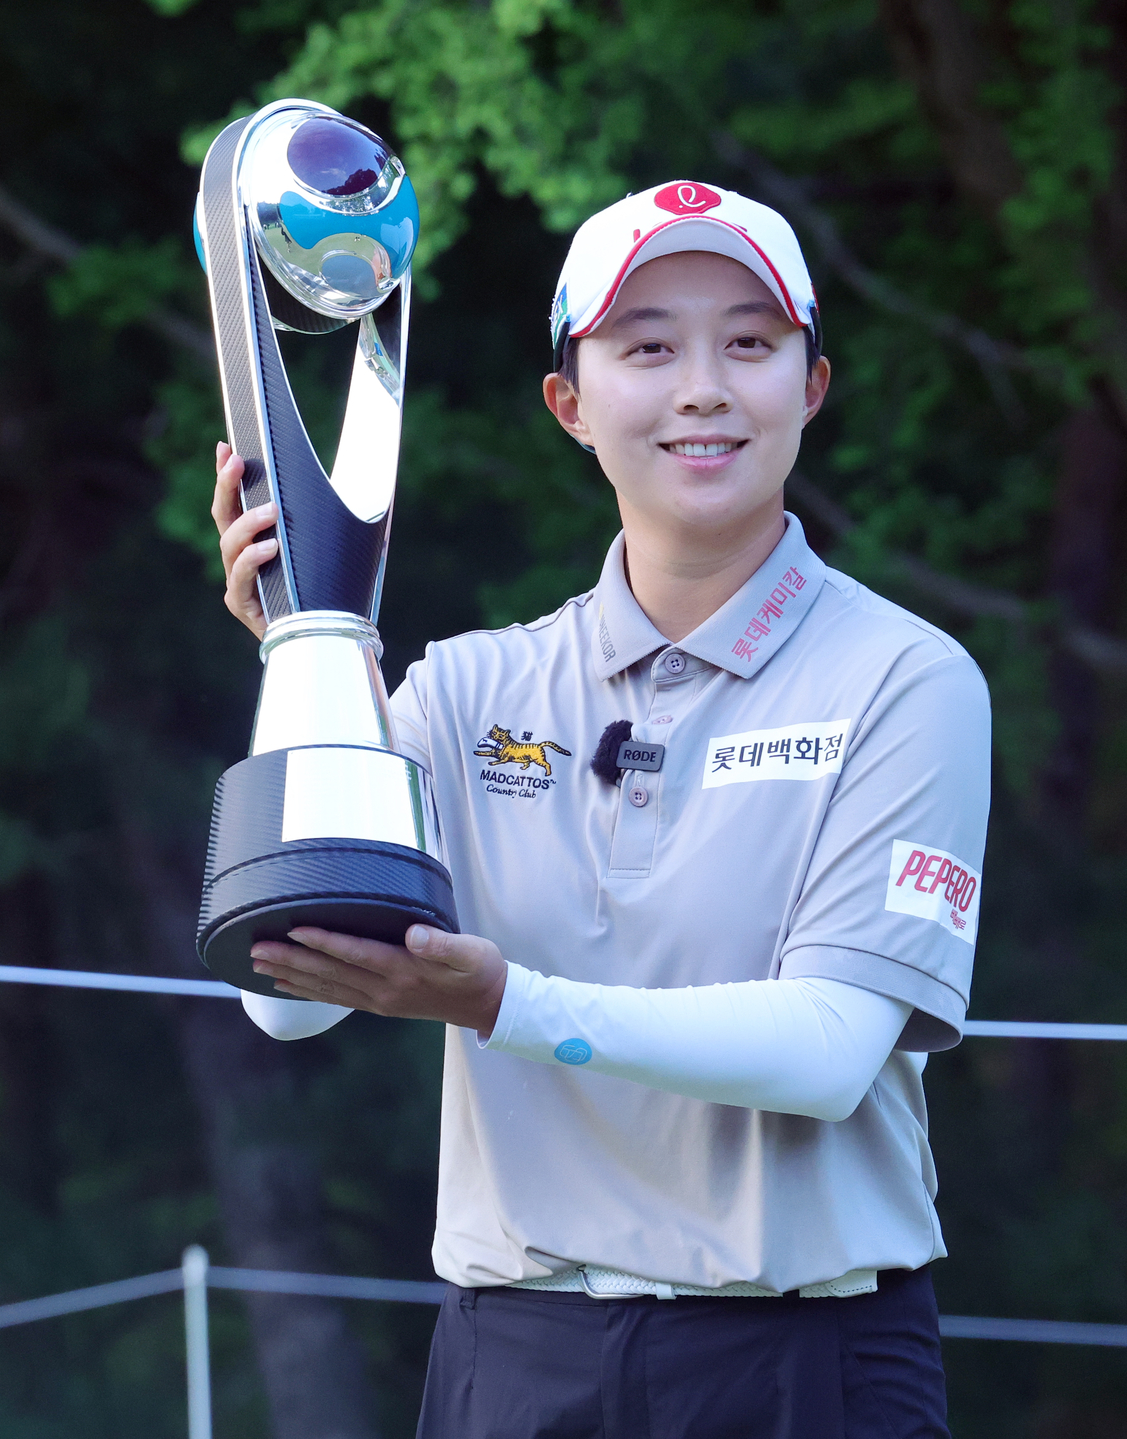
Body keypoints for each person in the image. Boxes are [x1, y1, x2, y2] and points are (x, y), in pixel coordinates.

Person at [209, 181, 990, 1439]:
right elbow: (282, 997)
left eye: (749, 341)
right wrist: (307, 645)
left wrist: (503, 1001)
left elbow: (832, 1047)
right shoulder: (464, 688)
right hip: (515, 1360)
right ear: (570, 403)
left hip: (805, 1365)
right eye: (646, 347)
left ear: (812, 385)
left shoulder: (906, 677)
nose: (701, 386)